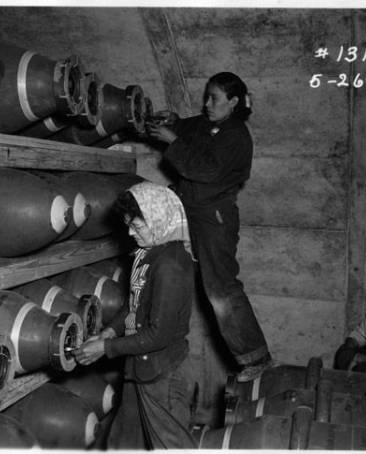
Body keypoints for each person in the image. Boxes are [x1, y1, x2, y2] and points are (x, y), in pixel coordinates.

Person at [146, 71, 271, 382]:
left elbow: (204, 169)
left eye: (213, 99)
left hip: (213, 216)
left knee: (220, 288)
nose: (206, 104)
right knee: (162, 266)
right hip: (189, 208)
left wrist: (173, 141)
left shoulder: (236, 136)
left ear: (232, 102)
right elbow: (188, 129)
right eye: (206, 97)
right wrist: (171, 121)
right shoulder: (210, 124)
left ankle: (256, 357)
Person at [74, 181, 196, 449]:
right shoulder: (148, 253)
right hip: (140, 367)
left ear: (159, 220)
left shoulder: (171, 266)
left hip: (161, 373)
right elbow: (135, 304)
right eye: (129, 224)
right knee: (124, 443)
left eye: (138, 226)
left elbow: (158, 335)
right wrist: (110, 330)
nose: (130, 232)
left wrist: (105, 348)